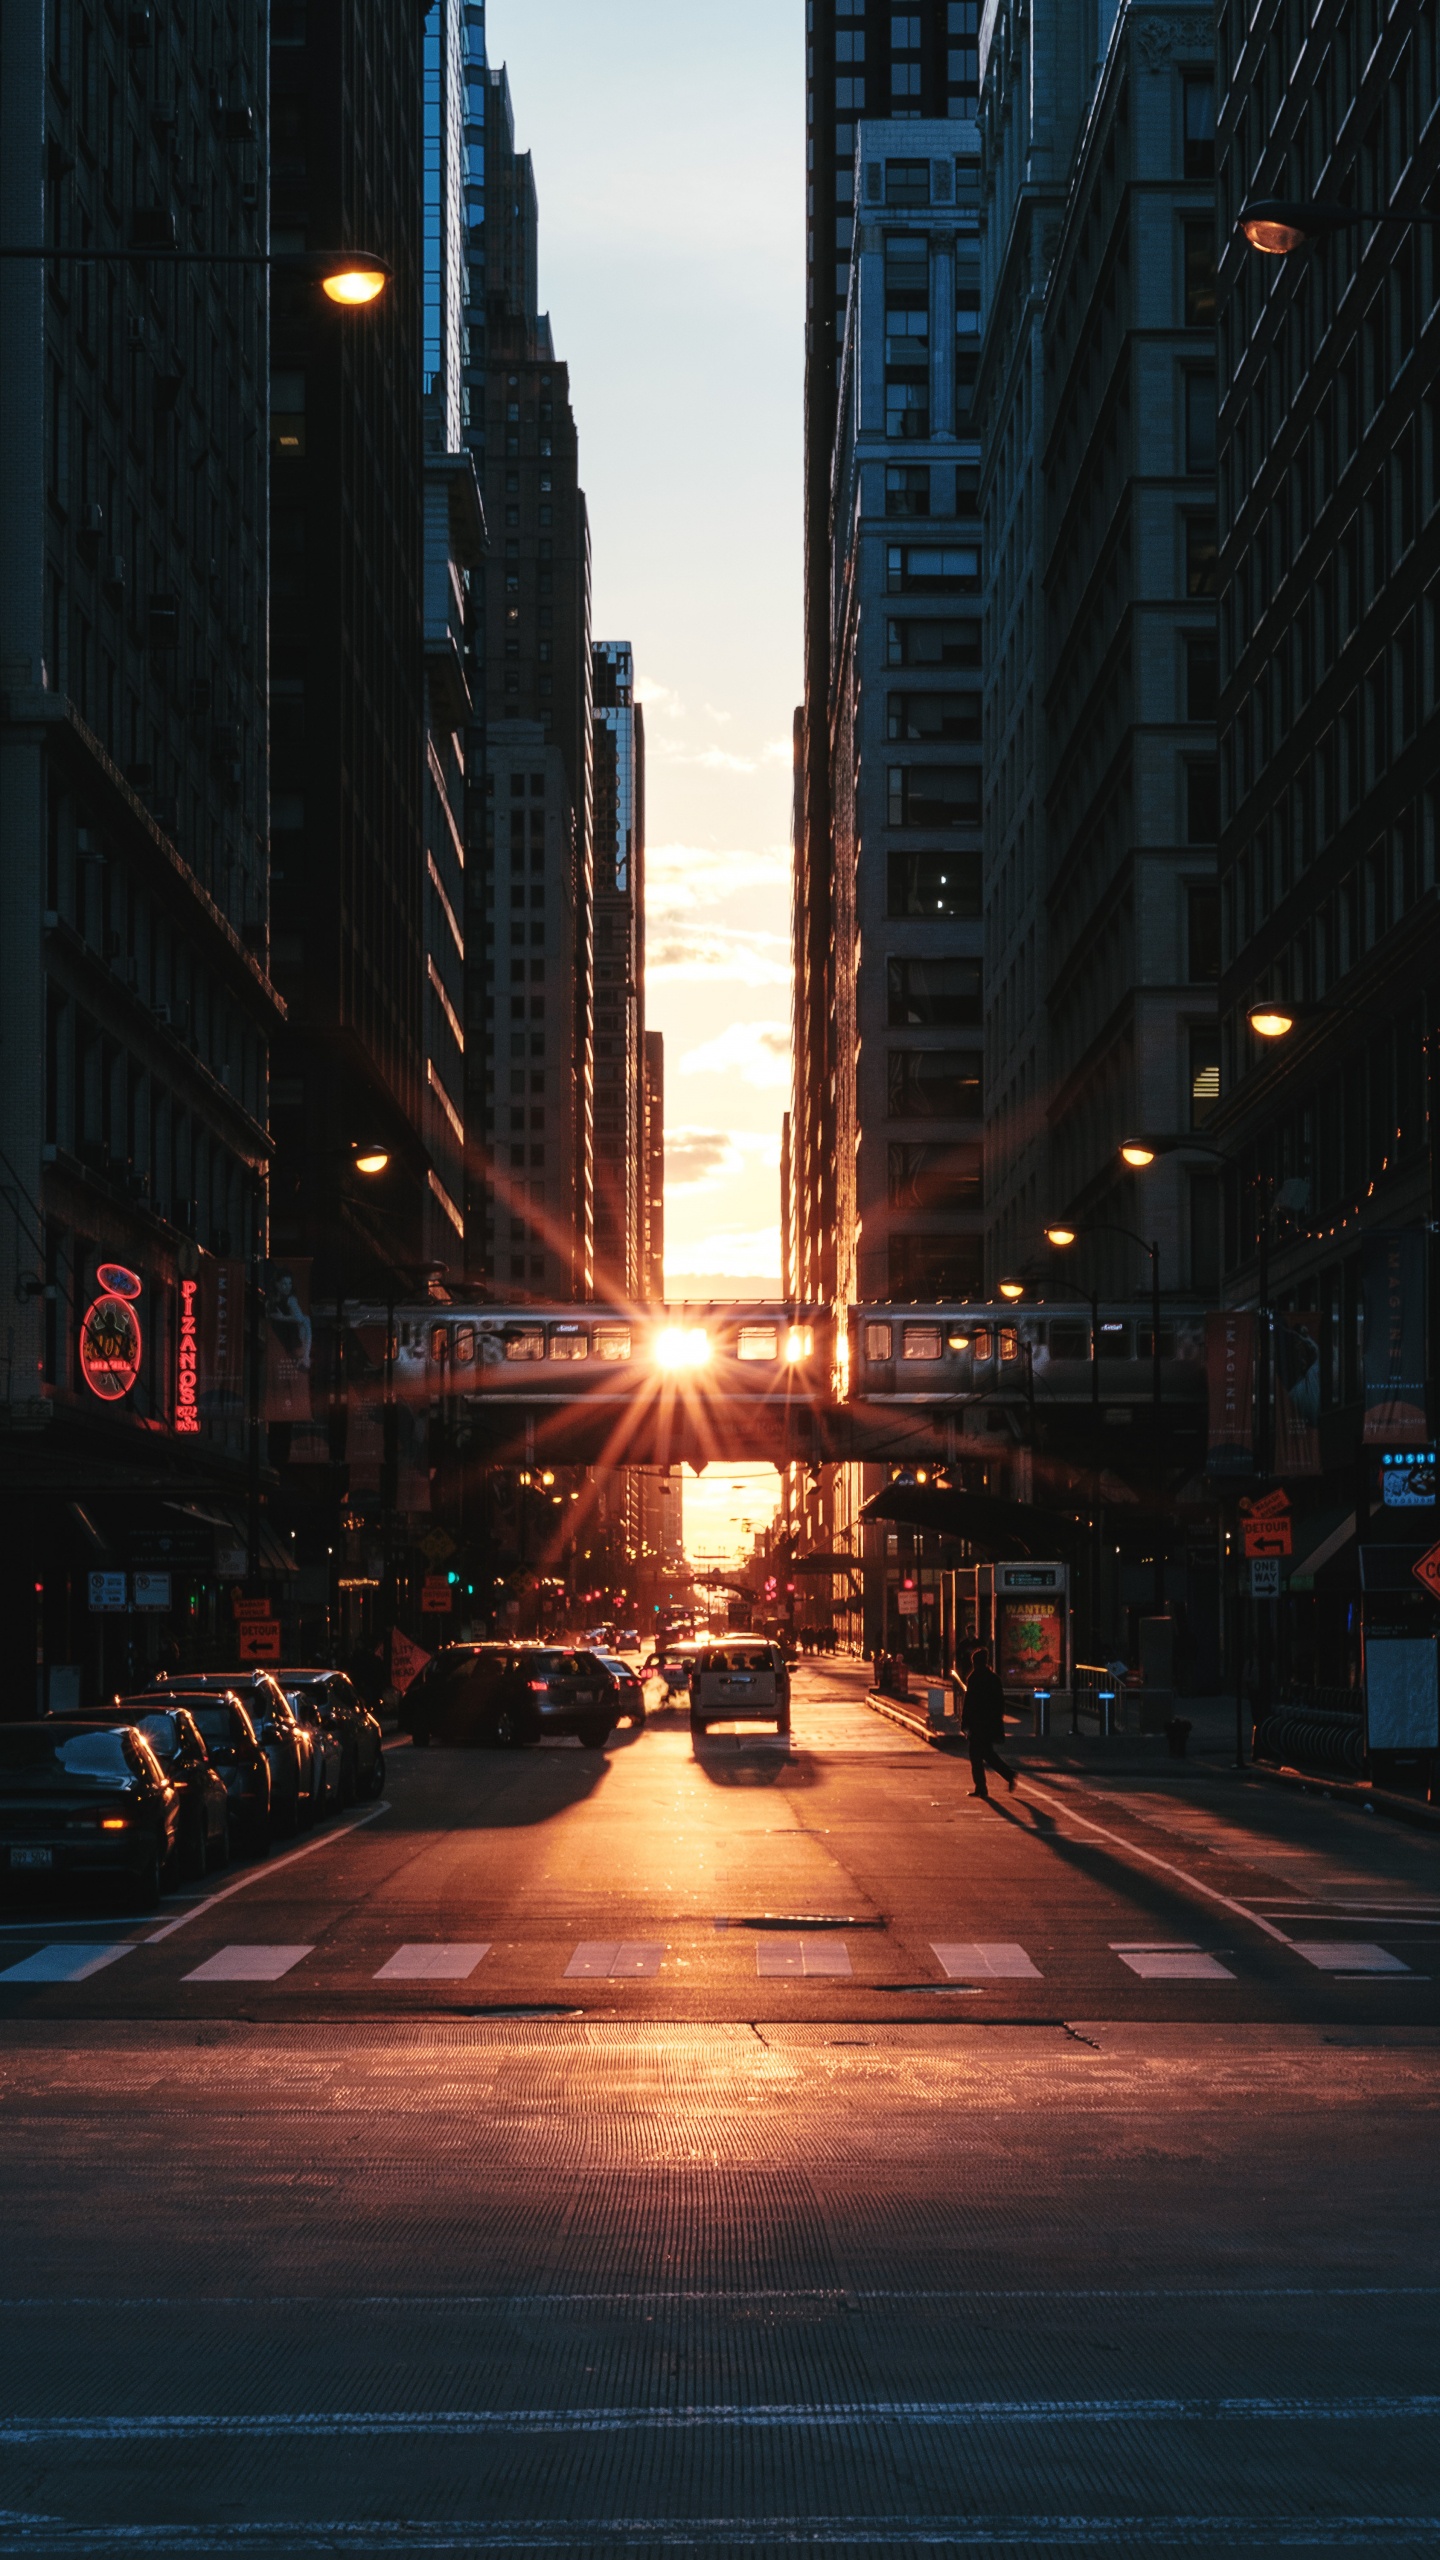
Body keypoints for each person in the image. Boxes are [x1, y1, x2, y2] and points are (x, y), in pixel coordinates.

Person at [961, 1644, 1016, 1799]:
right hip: (990, 1723)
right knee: (987, 1753)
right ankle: (1005, 1776)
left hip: (977, 1724)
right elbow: (1000, 1702)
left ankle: (983, 1787)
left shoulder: (973, 1678)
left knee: (976, 1755)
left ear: (975, 1663)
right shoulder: (994, 1679)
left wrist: (965, 1722)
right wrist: (998, 1720)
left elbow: (969, 1702)